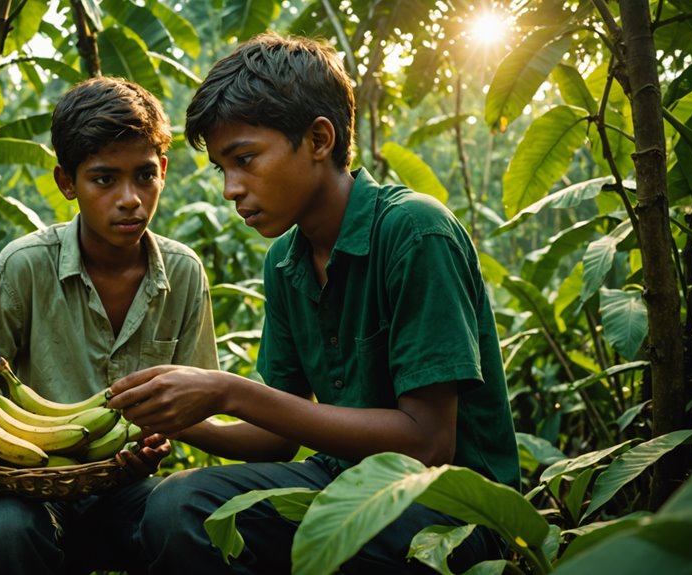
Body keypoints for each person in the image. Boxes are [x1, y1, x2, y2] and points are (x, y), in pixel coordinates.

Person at [107, 33, 520, 574]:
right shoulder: (286, 261)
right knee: (176, 507)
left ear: (319, 139)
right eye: (222, 169)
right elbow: (279, 438)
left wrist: (229, 391)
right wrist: (177, 420)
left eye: (246, 159)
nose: (231, 189)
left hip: (447, 506)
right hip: (341, 483)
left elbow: (427, 442)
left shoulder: (416, 232)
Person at [0, 76, 219, 575]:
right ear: (68, 183)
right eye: (104, 179)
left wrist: (158, 441)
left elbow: (195, 409)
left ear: (163, 172)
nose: (129, 198)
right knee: (1, 534)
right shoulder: (24, 266)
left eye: (144, 176)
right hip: (23, 487)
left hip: (127, 488)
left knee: (188, 521)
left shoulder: (185, 272)